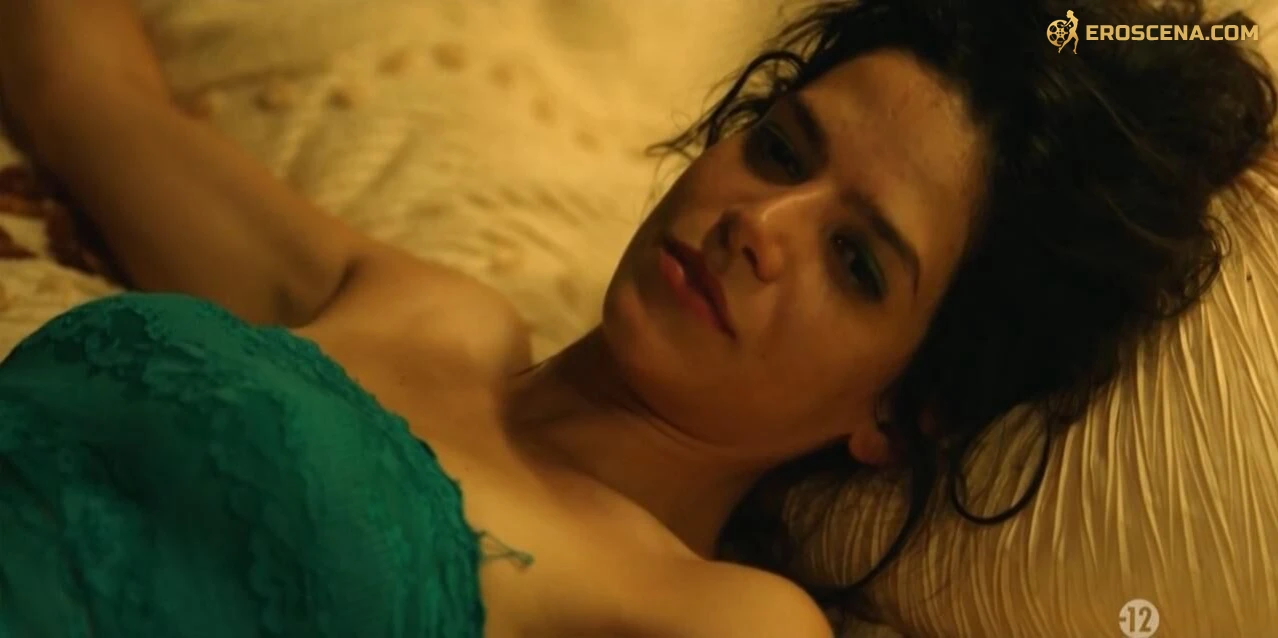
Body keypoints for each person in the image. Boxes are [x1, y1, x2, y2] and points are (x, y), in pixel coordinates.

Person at [0, 0, 1272, 636]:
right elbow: (88, 95)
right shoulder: (423, 308)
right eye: (780, 148)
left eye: (854, 260)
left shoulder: (721, 615)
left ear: (900, 410)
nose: (758, 223)